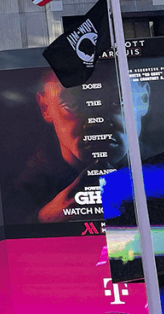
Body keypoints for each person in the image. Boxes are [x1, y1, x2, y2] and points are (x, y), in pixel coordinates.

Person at [8, 71, 128, 224]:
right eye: (72, 105)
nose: (95, 124)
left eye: (116, 102)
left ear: (144, 98)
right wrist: (44, 221)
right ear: (45, 107)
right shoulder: (21, 191)